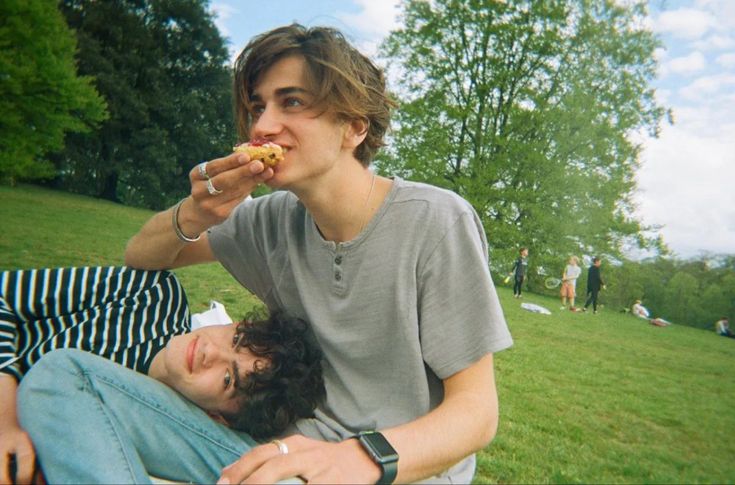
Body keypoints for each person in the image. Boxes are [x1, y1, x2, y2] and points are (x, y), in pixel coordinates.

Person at [18, 24, 513, 484]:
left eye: (291, 102)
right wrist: (195, 214)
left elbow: (475, 414)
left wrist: (358, 457)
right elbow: (142, 255)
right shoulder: (272, 219)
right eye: (258, 107)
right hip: (272, 456)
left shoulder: (433, 219)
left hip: (385, 468)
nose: (263, 126)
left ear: (354, 127)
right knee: (69, 375)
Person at [1, 265, 324, 484]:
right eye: (236, 339)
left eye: (229, 380)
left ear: (219, 417)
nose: (210, 352)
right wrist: (6, 418)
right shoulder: (154, 294)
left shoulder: (168, 427)